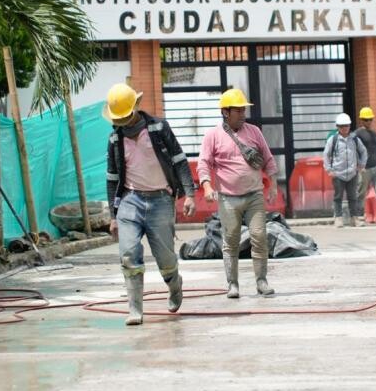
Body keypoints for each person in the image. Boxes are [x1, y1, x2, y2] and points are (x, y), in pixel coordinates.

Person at [104, 83, 197, 326]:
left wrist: (189, 193)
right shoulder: (115, 138)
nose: (122, 122)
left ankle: (175, 285)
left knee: (165, 259)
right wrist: (114, 216)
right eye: (118, 118)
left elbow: (179, 160)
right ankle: (135, 309)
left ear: (135, 107)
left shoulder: (158, 127)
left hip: (160, 200)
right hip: (130, 201)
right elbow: (112, 177)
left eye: (125, 116)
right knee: (128, 252)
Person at [198, 88, 279, 298]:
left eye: (244, 110)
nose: (243, 114)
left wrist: (274, 185)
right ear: (226, 112)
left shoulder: (254, 132)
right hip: (228, 198)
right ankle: (232, 284)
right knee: (231, 240)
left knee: (259, 236)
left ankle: (261, 281)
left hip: (254, 195)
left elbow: (268, 159)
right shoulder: (212, 135)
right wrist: (207, 186)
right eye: (239, 110)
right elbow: (204, 163)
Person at [323, 113, 367, 228]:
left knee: (353, 197)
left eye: (347, 126)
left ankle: (354, 218)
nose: (344, 128)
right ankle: (338, 218)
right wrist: (329, 170)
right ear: (337, 127)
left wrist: (361, 164)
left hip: (352, 173)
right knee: (338, 197)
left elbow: (363, 151)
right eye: (342, 126)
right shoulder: (333, 140)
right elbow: (326, 155)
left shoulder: (355, 139)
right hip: (338, 174)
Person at [354, 107, 376, 221]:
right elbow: (354, 150)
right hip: (364, 168)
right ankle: (358, 215)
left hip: (375, 167)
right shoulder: (357, 134)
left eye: (370, 119)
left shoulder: (375, 134)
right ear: (361, 120)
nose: (368, 122)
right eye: (366, 119)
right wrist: (359, 166)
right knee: (361, 191)